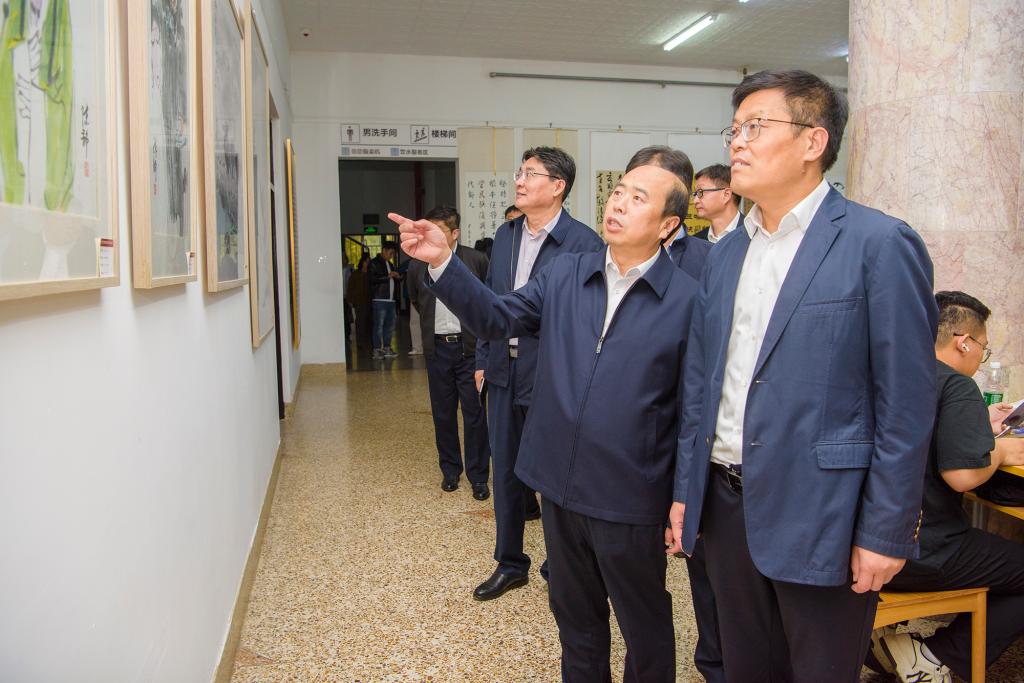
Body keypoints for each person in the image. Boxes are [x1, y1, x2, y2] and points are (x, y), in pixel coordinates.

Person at [667, 69, 938, 682]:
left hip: (825, 512)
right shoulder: (726, 254)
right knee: (746, 667)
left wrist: (887, 529)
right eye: (734, 130)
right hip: (726, 506)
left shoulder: (877, 243)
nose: (737, 143)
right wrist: (688, 491)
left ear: (813, 141)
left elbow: (907, 404)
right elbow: (702, 386)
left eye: (755, 128)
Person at [391, 145, 700, 682]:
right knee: (576, 621)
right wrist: (443, 262)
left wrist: (683, 494)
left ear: (668, 224)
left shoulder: (689, 300)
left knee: (644, 623)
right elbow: (496, 316)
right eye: (618, 191)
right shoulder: (566, 273)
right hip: (558, 482)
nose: (618, 203)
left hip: (630, 494)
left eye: (638, 198)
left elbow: (693, 407)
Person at [469, 147, 603, 602]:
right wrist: (483, 360)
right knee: (505, 470)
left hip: (550, 375)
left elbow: (586, 319)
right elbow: (491, 304)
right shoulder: (505, 235)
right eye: (519, 172)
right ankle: (510, 564)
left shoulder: (583, 242)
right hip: (502, 371)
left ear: (558, 185)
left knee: (553, 474)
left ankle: (558, 565)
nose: (520, 181)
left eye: (530, 173)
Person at [870, 291, 1024, 683]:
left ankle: (893, 646)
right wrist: (1002, 451)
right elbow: (962, 476)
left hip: (872, 539)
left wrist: (977, 422)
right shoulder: (957, 385)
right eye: (983, 349)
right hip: (925, 547)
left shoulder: (898, 373)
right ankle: (934, 655)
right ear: (964, 342)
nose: (980, 358)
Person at [407, 206, 491, 498]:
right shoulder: (418, 264)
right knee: (443, 414)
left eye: (438, 230)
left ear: (455, 233)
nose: (430, 235)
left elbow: (487, 301)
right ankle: (451, 471)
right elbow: (416, 300)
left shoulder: (476, 260)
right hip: (438, 350)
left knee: (475, 414)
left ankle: (478, 477)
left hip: (470, 350)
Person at [691, 164, 743, 244]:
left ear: (726, 195)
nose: (695, 201)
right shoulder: (696, 242)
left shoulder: (753, 234)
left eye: (700, 192)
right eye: (695, 194)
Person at [368, 241, 402, 359]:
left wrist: (398, 277)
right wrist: (388, 276)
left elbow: (392, 279)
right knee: (378, 326)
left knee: (389, 326)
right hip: (379, 299)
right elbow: (372, 279)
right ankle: (377, 349)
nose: (391, 256)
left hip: (391, 300)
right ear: (384, 250)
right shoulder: (374, 263)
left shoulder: (390, 264)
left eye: (393, 254)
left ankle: (387, 347)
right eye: (390, 253)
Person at [346, 255, 373, 352]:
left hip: (369, 301)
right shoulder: (356, 274)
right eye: (366, 262)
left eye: (369, 262)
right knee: (360, 322)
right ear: (362, 262)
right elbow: (350, 287)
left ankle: (369, 342)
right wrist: (350, 300)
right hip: (359, 302)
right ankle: (360, 342)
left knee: (369, 322)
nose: (367, 264)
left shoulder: (370, 274)